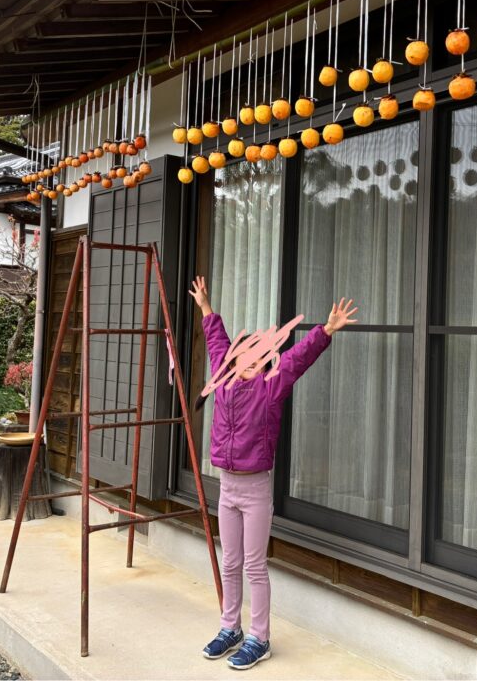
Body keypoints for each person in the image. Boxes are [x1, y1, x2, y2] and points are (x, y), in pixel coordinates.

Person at [188, 275, 357, 670]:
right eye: (242, 356)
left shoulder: (271, 387)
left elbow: (297, 358)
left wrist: (326, 331)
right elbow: (216, 340)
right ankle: (230, 628)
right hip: (227, 489)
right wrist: (206, 306)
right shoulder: (223, 381)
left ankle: (260, 638)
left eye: (256, 357)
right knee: (229, 563)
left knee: (253, 566)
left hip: (255, 491)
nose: (247, 362)